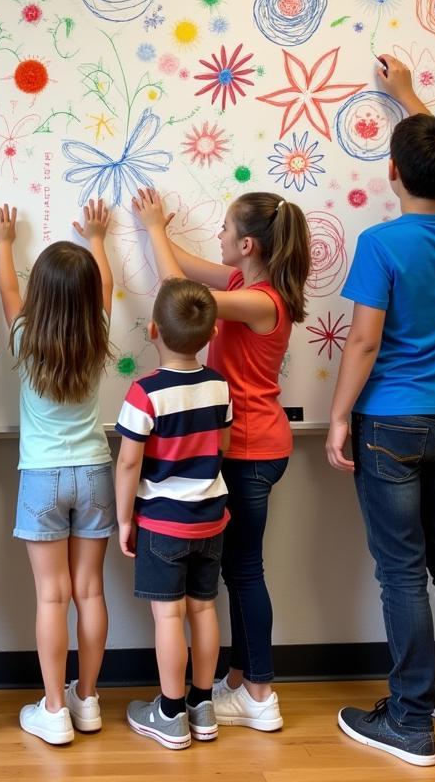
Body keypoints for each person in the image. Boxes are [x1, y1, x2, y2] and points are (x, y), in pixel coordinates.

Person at [326, 54, 435, 768]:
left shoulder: (380, 243)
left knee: (402, 571)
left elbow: (362, 342)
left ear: (391, 173)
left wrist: (337, 419)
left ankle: (409, 721)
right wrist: (406, 96)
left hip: (390, 423)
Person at [131, 186, 310, 732]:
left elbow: (177, 289)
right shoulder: (242, 282)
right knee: (235, 572)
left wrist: (158, 227)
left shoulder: (262, 302)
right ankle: (241, 679)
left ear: (249, 243)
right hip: (243, 446)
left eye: (227, 230)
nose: (220, 236)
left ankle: (259, 693)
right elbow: (186, 267)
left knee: (243, 572)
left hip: (249, 449)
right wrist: (154, 228)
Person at [0, 200, 115, 745]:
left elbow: (8, 295)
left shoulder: (24, 338)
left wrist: (2, 244)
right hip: (94, 471)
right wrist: (98, 240)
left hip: (41, 476)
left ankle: (55, 708)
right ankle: (87, 700)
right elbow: (104, 284)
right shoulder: (99, 333)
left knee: (51, 597)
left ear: (39, 295)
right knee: (90, 591)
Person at [115, 277, 232, 750]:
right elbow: (221, 445)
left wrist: (125, 519)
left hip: (163, 522)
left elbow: (128, 461)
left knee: (168, 618)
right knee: (203, 609)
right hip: (211, 516)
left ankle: (169, 712)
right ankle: (202, 705)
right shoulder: (219, 386)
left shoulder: (145, 393)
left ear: (152, 330)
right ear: (213, 333)